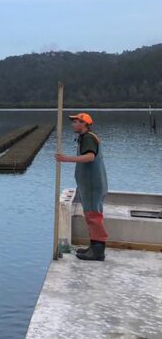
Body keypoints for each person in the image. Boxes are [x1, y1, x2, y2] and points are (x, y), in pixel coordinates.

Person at [55, 112, 108, 261]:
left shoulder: (88, 138)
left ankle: (98, 251)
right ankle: (94, 246)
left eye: (76, 121)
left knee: (93, 216)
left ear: (84, 124)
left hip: (92, 184)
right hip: (91, 184)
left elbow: (90, 156)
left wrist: (65, 159)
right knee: (92, 215)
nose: (73, 124)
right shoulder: (86, 137)